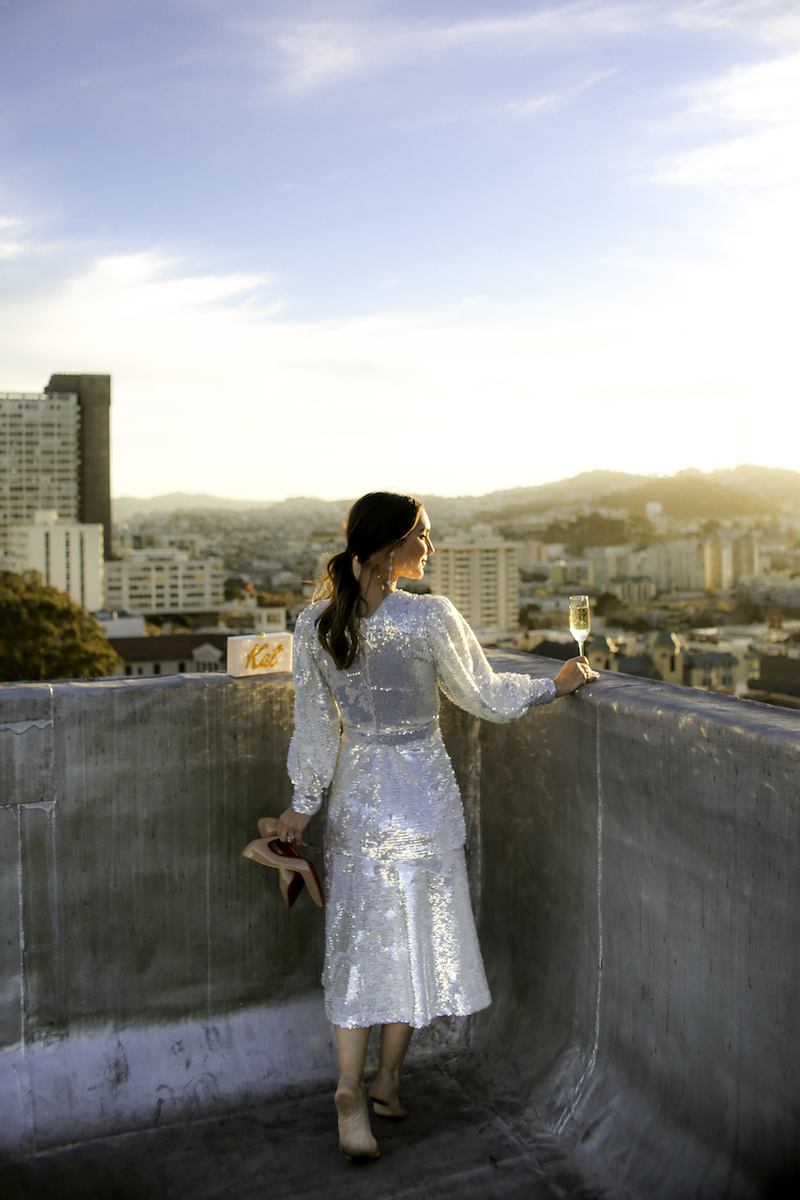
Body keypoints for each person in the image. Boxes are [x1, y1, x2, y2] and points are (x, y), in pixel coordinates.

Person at [277, 492, 597, 1160]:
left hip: (360, 803)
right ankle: (388, 1081)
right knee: (414, 941)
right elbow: (482, 695)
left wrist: (299, 808)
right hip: (421, 800)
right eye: (422, 535)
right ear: (392, 547)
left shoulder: (312, 624)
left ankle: (349, 1086)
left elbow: (314, 736)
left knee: (358, 943)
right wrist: (554, 685)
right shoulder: (429, 618)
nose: (431, 545)